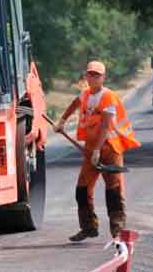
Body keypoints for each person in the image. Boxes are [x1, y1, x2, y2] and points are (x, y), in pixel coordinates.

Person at [54, 60, 141, 242]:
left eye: (97, 75)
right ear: (85, 76)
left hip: (109, 147)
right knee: (82, 190)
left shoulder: (108, 96)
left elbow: (105, 125)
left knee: (113, 190)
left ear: (103, 77)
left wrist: (97, 151)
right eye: (90, 74)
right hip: (91, 148)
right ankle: (89, 227)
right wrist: (62, 120)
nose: (93, 78)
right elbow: (74, 103)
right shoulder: (85, 94)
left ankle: (118, 232)